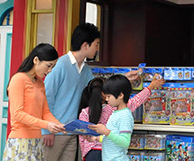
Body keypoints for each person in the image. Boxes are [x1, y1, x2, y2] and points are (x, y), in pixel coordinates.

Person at [43, 22, 139, 161]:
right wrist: (47, 130)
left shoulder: (86, 70)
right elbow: (46, 98)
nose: (97, 49)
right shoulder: (60, 66)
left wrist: (124, 79)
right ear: (85, 45)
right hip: (55, 131)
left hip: (73, 131)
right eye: (96, 44)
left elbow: (101, 89)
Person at [3, 43, 66, 161]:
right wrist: (46, 125)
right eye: (48, 66)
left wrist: (59, 125)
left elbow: (45, 112)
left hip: (37, 142)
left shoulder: (40, 83)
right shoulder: (18, 79)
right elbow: (18, 114)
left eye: (53, 66)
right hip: (20, 142)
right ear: (36, 60)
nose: (50, 70)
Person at [78, 76, 166, 161]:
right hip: (108, 153)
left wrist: (85, 152)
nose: (108, 99)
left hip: (93, 153)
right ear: (104, 94)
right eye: (107, 96)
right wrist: (150, 87)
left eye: (109, 96)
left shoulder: (85, 113)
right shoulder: (115, 110)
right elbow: (136, 100)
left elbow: (82, 138)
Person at [88, 75, 134, 161]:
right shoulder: (116, 113)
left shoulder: (125, 115)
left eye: (109, 96)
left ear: (120, 95)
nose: (106, 99)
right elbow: (113, 138)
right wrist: (96, 138)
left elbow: (125, 142)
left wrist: (106, 131)